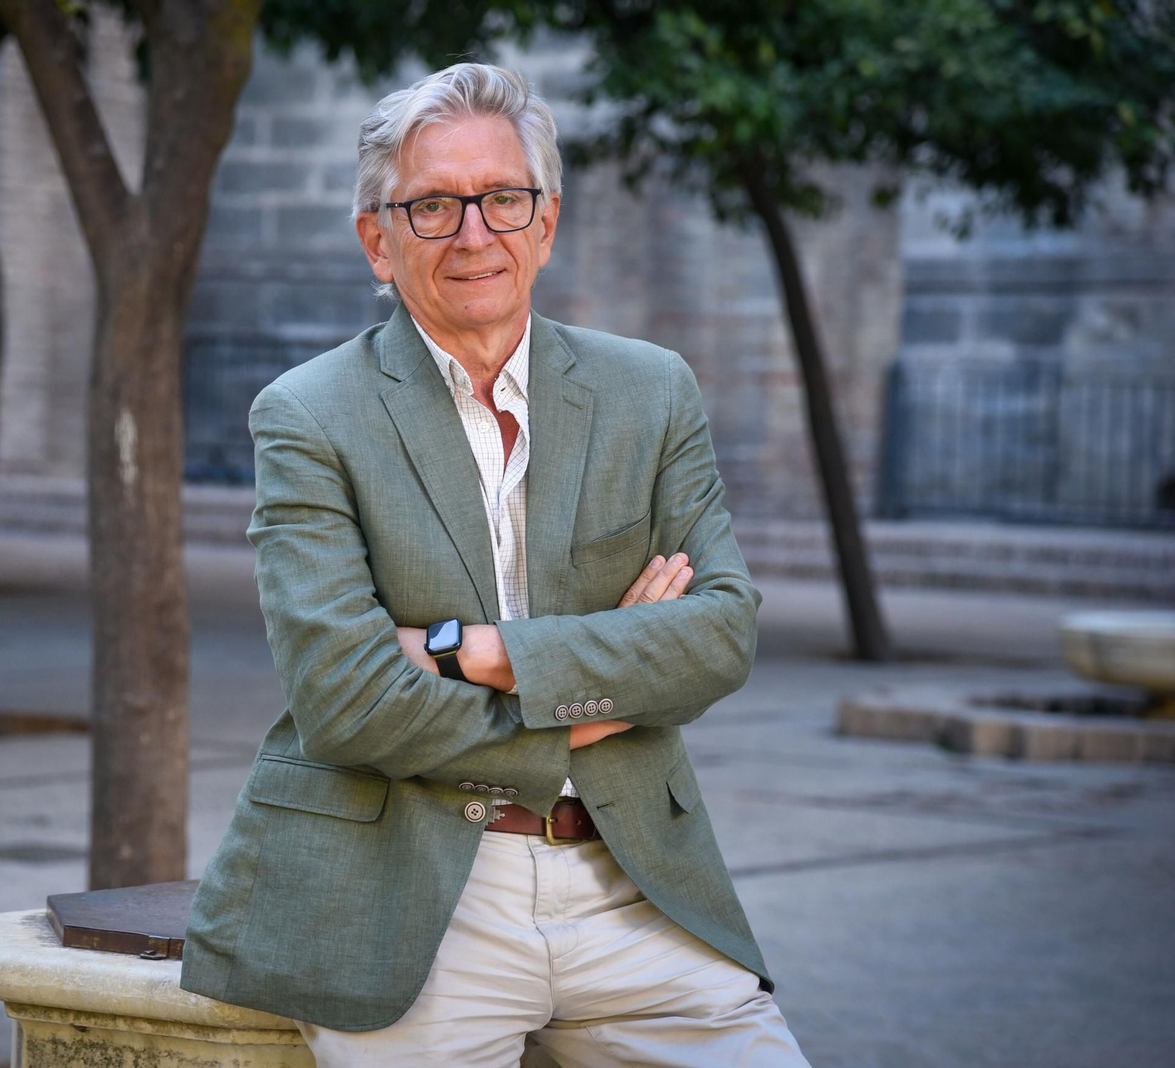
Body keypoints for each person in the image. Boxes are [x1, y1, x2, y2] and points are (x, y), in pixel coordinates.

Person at [181, 62, 812, 1067]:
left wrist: (470, 650)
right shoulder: (308, 415)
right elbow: (344, 700)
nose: (474, 234)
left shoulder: (650, 392)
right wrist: (590, 696)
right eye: (432, 206)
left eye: (502, 199)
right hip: (407, 900)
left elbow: (718, 635)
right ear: (377, 242)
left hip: (634, 892)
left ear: (545, 223)